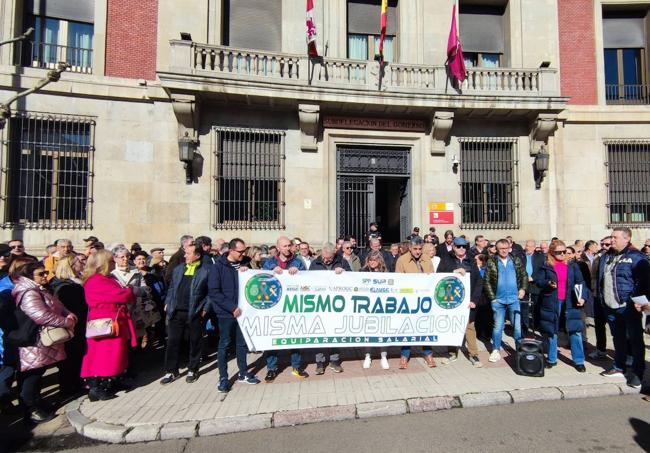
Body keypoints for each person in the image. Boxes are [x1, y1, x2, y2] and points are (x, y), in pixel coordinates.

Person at [13, 261, 76, 423]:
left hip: (41, 340)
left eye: (46, 272)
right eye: (41, 274)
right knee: (31, 375)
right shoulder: (28, 292)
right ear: (29, 277)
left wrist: (68, 314)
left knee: (38, 373)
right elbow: (40, 315)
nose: (46, 276)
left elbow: (58, 305)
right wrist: (65, 321)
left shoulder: (40, 289)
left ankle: (37, 403)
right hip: (34, 340)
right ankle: (30, 409)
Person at [81, 250, 140, 401]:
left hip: (114, 320)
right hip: (105, 323)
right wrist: (130, 290)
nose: (114, 264)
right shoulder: (96, 280)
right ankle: (98, 387)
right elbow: (120, 294)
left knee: (116, 354)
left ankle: (112, 381)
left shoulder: (106, 278)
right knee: (104, 355)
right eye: (111, 262)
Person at [596, 227, 650, 389]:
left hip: (629, 306)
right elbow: (601, 279)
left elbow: (645, 283)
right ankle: (619, 366)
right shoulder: (606, 256)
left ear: (627, 239)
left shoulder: (636, 258)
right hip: (610, 305)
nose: (612, 240)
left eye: (615, 237)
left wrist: (639, 300)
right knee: (617, 338)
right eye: (611, 237)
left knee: (635, 340)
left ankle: (638, 372)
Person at [209, 239, 260, 392]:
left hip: (244, 313)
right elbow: (214, 291)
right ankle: (223, 377)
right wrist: (231, 307)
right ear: (231, 250)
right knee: (224, 344)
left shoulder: (247, 262)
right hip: (226, 313)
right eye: (240, 251)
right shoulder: (218, 267)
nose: (243, 254)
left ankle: (243, 373)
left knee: (242, 344)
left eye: (244, 251)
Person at [533, 240, 587, 372]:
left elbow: (581, 282)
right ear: (552, 252)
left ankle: (579, 361)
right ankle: (552, 359)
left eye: (564, 251)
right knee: (552, 331)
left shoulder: (573, 266)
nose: (562, 254)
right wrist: (548, 283)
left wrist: (583, 297)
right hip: (552, 302)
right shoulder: (546, 265)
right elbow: (538, 281)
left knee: (575, 331)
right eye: (559, 252)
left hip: (570, 302)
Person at [160, 244, 209, 385]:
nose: (185, 256)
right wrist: (168, 302)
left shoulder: (205, 271)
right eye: (185, 253)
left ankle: (193, 369)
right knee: (172, 342)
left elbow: (210, 293)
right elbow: (172, 288)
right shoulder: (179, 269)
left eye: (188, 253)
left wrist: (205, 308)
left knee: (194, 342)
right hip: (176, 312)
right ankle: (171, 371)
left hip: (194, 312)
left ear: (197, 255)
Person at [263, 237, 308, 381]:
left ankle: (296, 366)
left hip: (292, 306)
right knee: (272, 338)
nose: (288, 248)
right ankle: (271, 368)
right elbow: (261, 279)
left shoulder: (298, 261)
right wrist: (271, 270)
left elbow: (308, 282)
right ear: (278, 247)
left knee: (294, 336)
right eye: (284, 246)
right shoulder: (269, 262)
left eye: (290, 245)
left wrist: (299, 272)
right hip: (274, 306)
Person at [437, 237, 484, 368]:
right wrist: (453, 272)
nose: (462, 249)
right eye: (459, 246)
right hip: (451, 301)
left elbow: (479, 282)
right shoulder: (446, 260)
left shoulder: (472, 261)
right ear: (453, 247)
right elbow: (439, 276)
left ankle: (473, 354)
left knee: (470, 327)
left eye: (464, 246)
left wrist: (474, 300)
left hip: (468, 302)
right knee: (452, 326)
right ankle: (452, 353)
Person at [484, 239, 528, 363]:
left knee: (517, 327)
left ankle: (520, 349)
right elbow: (486, 281)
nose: (504, 250)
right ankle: (496, 350)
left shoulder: (515, 260)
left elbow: (523, 275)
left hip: (514, 299)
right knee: (498, 326)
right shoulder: (492, 262)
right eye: (501, 248)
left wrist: (523, 289)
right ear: (497, 249)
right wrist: (492, 298)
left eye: (506, 248)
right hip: (499, 299)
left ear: (509, 248)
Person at [395, 237, 436, 369]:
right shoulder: (402, 260)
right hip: (409, 299)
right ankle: (405, 355)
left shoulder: (427, 259)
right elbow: (398, 280)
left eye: (420, 249)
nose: (418, 252)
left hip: (424, 300)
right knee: (408, 327)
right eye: (415, 249)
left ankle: (428, 353)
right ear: (410, 248)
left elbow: (432, 278)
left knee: (424, 326)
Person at [309, 243, 350, 374]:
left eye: (329, 258)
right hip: (320, 305)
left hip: (337, 305)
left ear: (334, 254)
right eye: (324, 257)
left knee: (334, 334)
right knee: (320, 334)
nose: (326, 260)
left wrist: (344, 273)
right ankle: (320, 363)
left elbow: (352, 279)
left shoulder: (342, 262)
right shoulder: (315, 264)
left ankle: (334, 361)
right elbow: (308, 281)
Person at [50, 255, 88, 395]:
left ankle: (73, 384)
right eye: (78, 262)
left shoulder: (69, 283)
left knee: (74, 357)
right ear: (71, 266)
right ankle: (70, 387)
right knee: (71, 358)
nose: (81, 263)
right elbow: (78, 307)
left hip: (75, 325)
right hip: (73, 326)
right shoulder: (68, 287)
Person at [360, 250, 390, 369]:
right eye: (370, 260)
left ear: (379, 260)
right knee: (368, 332)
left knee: (382, 331)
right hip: (367, 307)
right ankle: (368, 356)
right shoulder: (362, 272)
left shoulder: (385, 272)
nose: (372, 262)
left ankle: (384, 356)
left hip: (381, 306)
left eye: (375, 260)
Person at [131, 251, 164, 348]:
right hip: (136, 305)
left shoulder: (152, 273)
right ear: (134, 261)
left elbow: (160, 288)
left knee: (150, 326)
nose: (141, 261)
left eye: (143, 259)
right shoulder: (132, 273)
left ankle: (149, 344)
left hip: (152, 302)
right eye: (139, 259)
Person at [588, 236, 612, 360]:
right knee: (599, 325)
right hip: (598, 296)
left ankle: (626, 354)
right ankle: (600, 349)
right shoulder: (599, 258)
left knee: (616, 328)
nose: (603, 247)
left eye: (607, 245)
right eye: (602, 244)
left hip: (611, 298)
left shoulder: (615, 258)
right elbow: (593, 276)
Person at [523, 240, 545, 334]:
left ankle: (536, 324)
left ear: (534, 247)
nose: (528, 248)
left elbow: (541, 270)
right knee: (524, 305)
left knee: (536, 305)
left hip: (535, 283)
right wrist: (525, 277)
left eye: (530, 246)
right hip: (524, 283)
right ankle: (525, 325)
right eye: (527, 245)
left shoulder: (540, 257)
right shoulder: (521, 256)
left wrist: (534, 277)